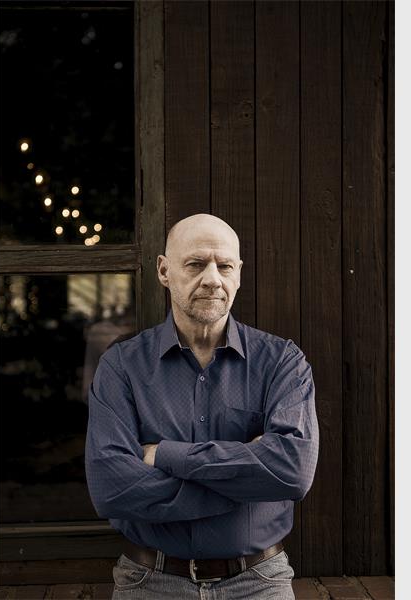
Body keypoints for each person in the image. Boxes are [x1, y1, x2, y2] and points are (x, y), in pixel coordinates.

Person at [85, 214, 319, 599]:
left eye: (224, 266)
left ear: (238, 273)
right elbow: (111, 488)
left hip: (258, 583)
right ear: (164, 271)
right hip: (150, 582)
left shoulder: (281, 362)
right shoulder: (122, 366)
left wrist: (166, 456)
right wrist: (246, 481)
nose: (212, 278)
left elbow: (292, 471)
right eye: (195, 264)